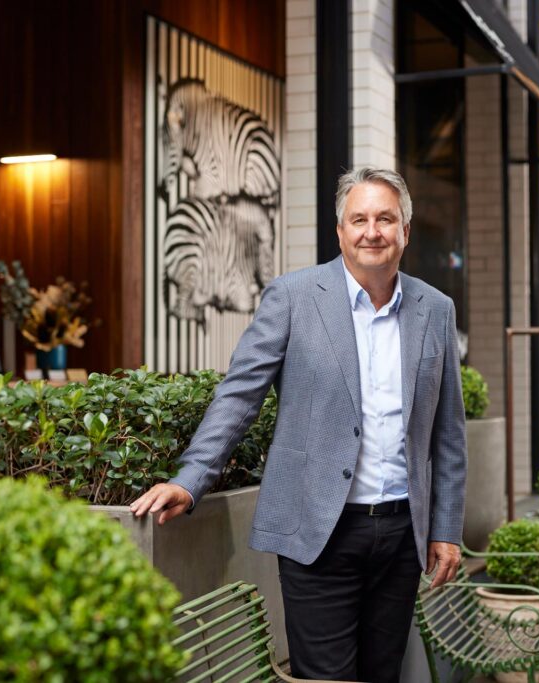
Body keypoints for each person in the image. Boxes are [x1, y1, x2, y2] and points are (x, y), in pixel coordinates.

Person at [130, 167, 467, 682]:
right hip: (319, 530)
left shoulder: (435, 310)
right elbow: (240, 395)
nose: (371, 231)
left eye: (385, 219)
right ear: (339, 231)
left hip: (402, 534)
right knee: (325, 677)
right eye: (359, 219)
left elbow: (447, 435)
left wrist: (444, 529)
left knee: (383, 672)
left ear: (405, 231)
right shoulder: (293, 297)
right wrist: (189, 479)